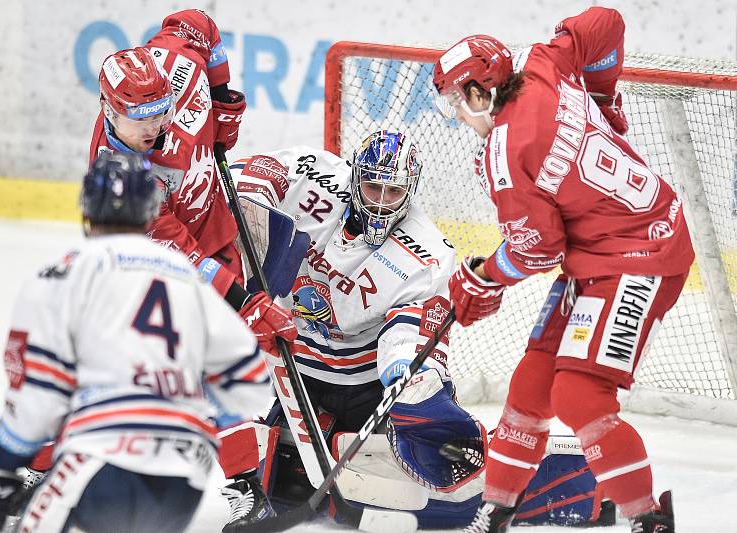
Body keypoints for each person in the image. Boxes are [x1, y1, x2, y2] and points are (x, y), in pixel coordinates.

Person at [433, 7, 691, 532]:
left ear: (481, 94)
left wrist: (483, 275)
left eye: (457, 103)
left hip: (641, 251)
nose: (457, 116)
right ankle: (496, 509)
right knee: (532, 385)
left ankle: (650, 520)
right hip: (599, 252)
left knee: (578, 396)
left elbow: (535, 252)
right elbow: (607, 22)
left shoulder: (506, 154)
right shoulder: (540, 60)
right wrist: (600, 94)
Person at [0, 152, 272, 533]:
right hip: (185, 477)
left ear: (86, 210)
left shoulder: (65, 272)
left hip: (102, 461)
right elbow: (248, 380)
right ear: (151, 211)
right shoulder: (187, 275)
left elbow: (38, 395)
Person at [216, 131, 488, 530]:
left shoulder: (428, 253)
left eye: (392, 191)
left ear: (410, 191)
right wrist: (257, 197)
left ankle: (497, 481)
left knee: (407, 490)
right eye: (372, 185)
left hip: (364, 383)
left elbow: (411, 326)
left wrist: (406, 373)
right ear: (354, 175)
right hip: (293, 365)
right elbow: (251, 172)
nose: (379, 201)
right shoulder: (314, 173)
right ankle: (246, 491)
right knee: (284, 479)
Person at [89, 9, 297, 353]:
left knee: (230, 356)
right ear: (110, 111)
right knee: (183, 360)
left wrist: (220, 97)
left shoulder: (178, 63)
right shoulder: (121, 183)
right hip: (160, 270)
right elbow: (184, 258)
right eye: (141, 120)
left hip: (213, 225)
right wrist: (244, 303)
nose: (154, 128)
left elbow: (198, 24)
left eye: (161, 113)